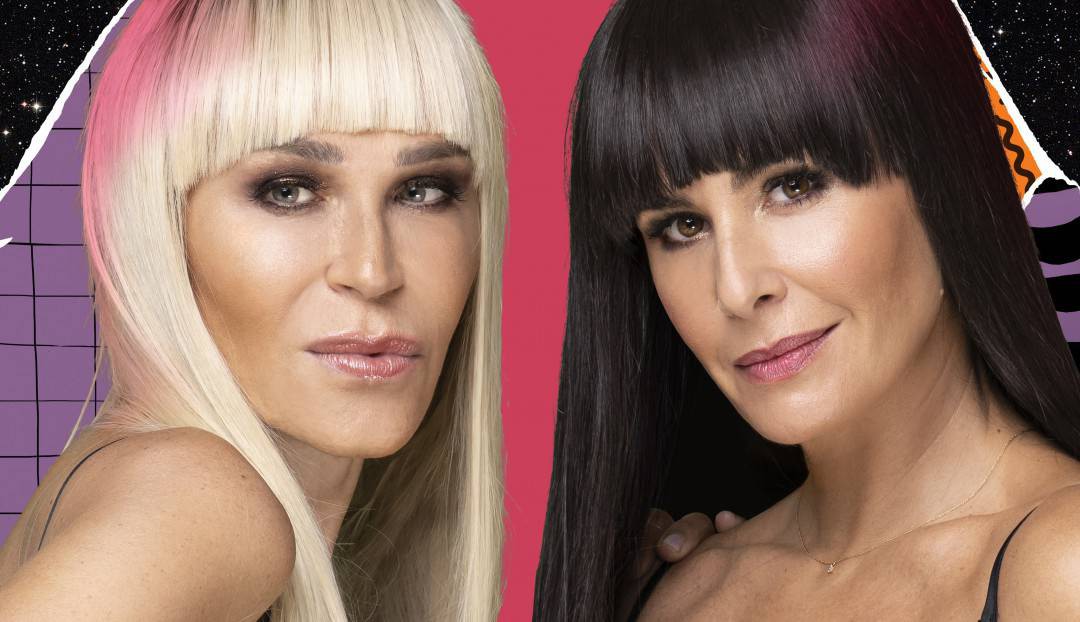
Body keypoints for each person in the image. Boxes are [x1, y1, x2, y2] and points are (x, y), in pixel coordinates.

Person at [535, 0, 1080, 619]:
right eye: (683, 226)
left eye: (792, 186)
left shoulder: (1061, 567)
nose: (735, 289)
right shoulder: (677, 594)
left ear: (943, 176)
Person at [0, 0, 506, 620]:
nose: (373, 272)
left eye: (422, 191)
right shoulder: (197, 504)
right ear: (164, 223)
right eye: (287, 191)